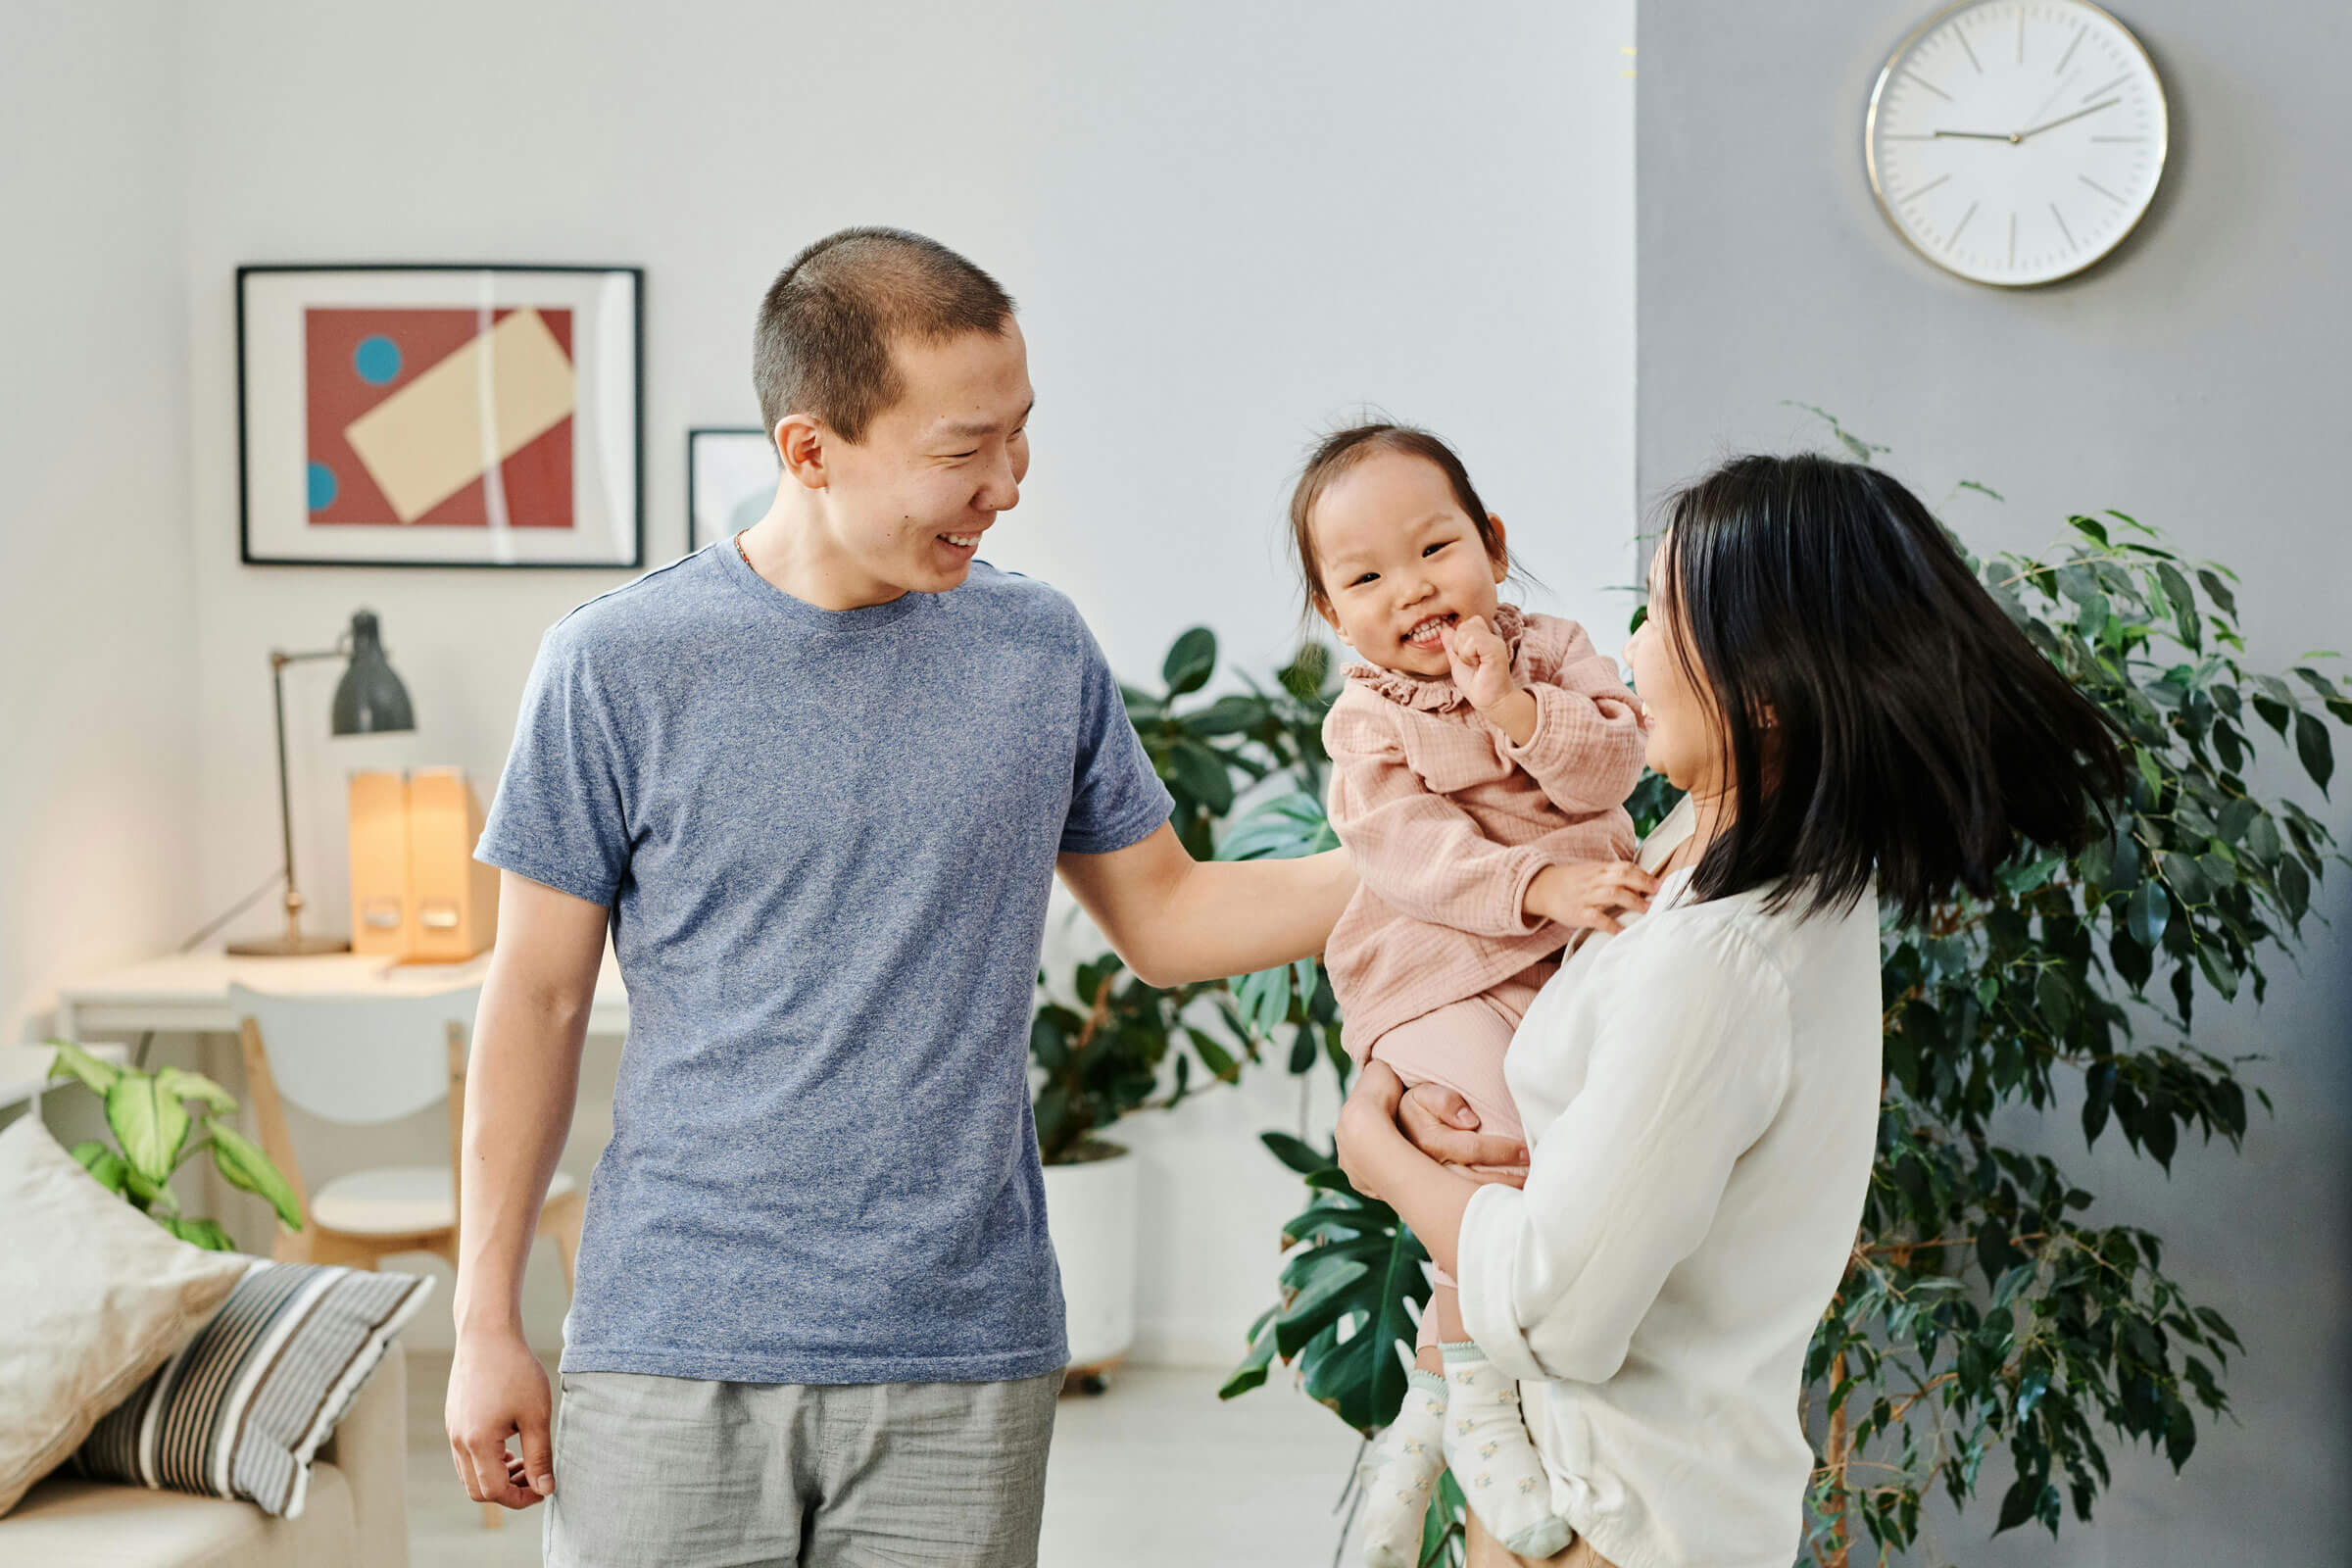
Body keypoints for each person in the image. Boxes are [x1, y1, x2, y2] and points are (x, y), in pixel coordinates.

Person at [445, 226, 1357, 1568]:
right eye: (962, 449)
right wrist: (482, 1324)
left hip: (959, 1360)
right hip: (669, 1348)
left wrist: (1453, 868)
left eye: (1019, 434)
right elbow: (536, 996)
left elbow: (1169, 919)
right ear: (810, 450)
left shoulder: (1037, 655)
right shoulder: (616, 667)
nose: (1007, 483)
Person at [1334, 454, 2124, 1567]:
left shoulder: (1720, 959)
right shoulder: (1715, 863)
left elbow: (1557, 1309)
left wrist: (1379, 1156)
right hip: (1619, 1499)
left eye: (1661, 615)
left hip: (1614, 1526)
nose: (1632, 646)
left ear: (1762, 684)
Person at [1282, 422, 1654, 1564]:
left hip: (1556, 969)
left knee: (1554, 1168)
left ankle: (1434, 1410)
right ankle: (1479, 1398)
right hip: (1432, 977)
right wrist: (1544, 878)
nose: (1411, 588)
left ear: (1491, 542)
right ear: (1331, 612)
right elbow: (1411, 860)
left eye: (1434, 546)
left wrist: (1515, 712)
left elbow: (1618, 760)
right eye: (1365, 576)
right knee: (1488, 1145)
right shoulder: (1367, 722)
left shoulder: (1558, 653)